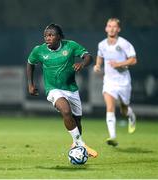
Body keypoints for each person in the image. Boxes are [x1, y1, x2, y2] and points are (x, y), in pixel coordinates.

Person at [27, 23, 98, 157]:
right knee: (66, 111)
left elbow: (89, 57)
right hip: (53, 89)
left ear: (59, 36)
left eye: (51, 35)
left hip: (71, 89)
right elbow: (30, 63)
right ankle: (82, 145)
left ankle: (76, 148)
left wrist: (82, 63)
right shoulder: (39, 50)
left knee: (77, 122)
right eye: (46, 35)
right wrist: (30, 84)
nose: (48, 38)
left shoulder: (70, 46)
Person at [93, 18, 137, 146]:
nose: (111, 28)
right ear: (106, 28)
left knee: (124, 110)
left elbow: (133, 60)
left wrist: (119, 64)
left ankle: (131, 115)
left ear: (118, 29)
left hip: (123, 81)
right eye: (109, 26)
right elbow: (100, 55)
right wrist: (97, 65)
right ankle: (112, 136)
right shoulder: (102, 44)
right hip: (109, 82)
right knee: (110, 107)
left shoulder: (124, 43)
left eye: (114, 26)